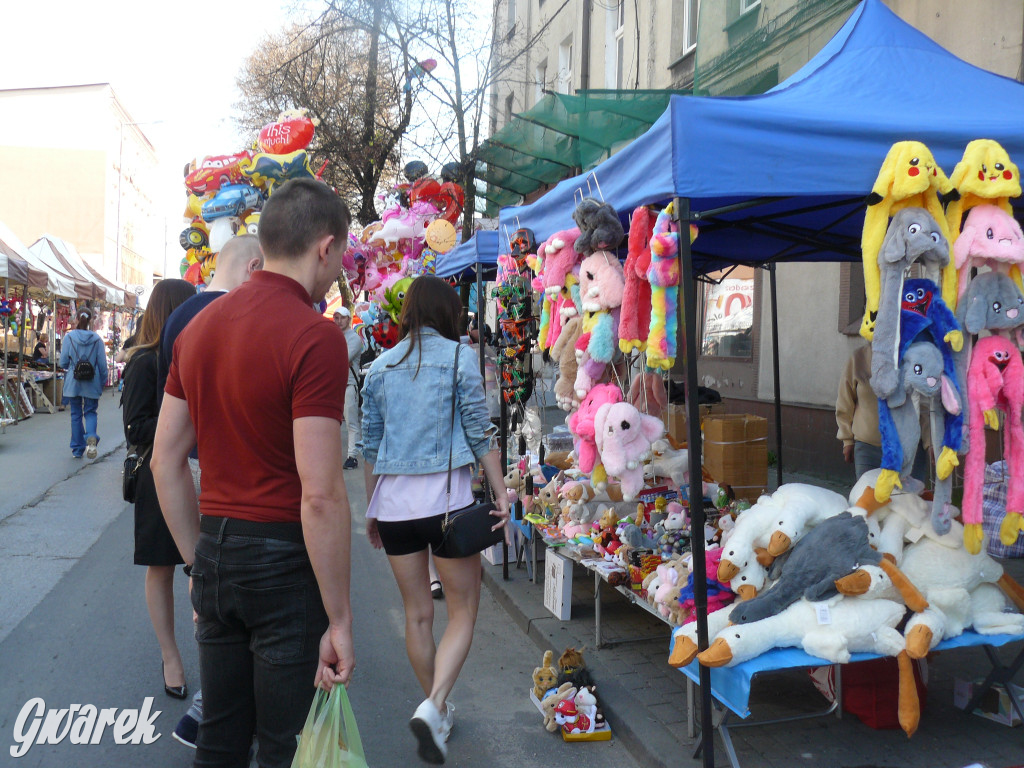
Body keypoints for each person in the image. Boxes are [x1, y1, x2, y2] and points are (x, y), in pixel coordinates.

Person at [152, 177, 355, 768]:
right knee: (283, 742)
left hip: (215, 549)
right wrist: (340, 618)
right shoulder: (316, 337)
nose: (339, 268)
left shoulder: (196, 331)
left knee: (220, 735)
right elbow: (320, 495)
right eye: (341, 254)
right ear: (325, 247)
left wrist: (197, 560)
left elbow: (166, 460)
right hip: (283, 560)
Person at [360, 275, 510, 765]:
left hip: (396, 509)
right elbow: (479, 429)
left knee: (417, 615)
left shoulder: (379, 367)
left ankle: (436, 712)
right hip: (448, 506)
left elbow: (369, 448)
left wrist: (371, 509)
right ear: (448, 314)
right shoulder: (459, 357)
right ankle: (435, 704)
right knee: (463, 612)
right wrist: (503, 493)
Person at [154, 234, 263, 749]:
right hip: (229, 470)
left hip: (187, 461)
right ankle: (217, 709)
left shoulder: (180, 317)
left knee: (208, 589)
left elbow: (166, 425)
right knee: (239, 592)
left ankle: (212, 708)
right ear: (253, 267)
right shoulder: (247, 316)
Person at [120, 279, 198, 701]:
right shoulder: (146, 361)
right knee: (162, 565)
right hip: (158, 473)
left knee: (199, 564)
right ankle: (170, 656)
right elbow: (135, 426)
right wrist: (182, 429)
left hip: (201, 472)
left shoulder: (194, 355)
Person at [836, 343, 930, 481]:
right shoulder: (858, 359)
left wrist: (930, 442)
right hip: (868, 448)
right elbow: (845, 402)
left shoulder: (913, 358)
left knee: (908, 500)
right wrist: (847, 439)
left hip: (909, 450)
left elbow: (924, 404)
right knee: (867, 498)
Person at [59, 308, 108, 459]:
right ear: (91, 320)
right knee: (91, 412)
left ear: (76, 319)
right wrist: (101, 383)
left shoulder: (69, 337)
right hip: (92, 382)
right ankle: (91, 436)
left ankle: (77, 448)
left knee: (75, 414)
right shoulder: (97, 339)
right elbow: (102, 365)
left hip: (74, 382)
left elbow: (63, 363)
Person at [333, 307, 364, 469]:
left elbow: (340, 359)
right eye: (336, 318)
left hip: (348, 385)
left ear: (348, 319)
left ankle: (352, 456)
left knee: (351, 422)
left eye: (342, 318)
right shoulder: (332, 336)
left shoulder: (354, 339)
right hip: (333, 386)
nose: (339, 321)